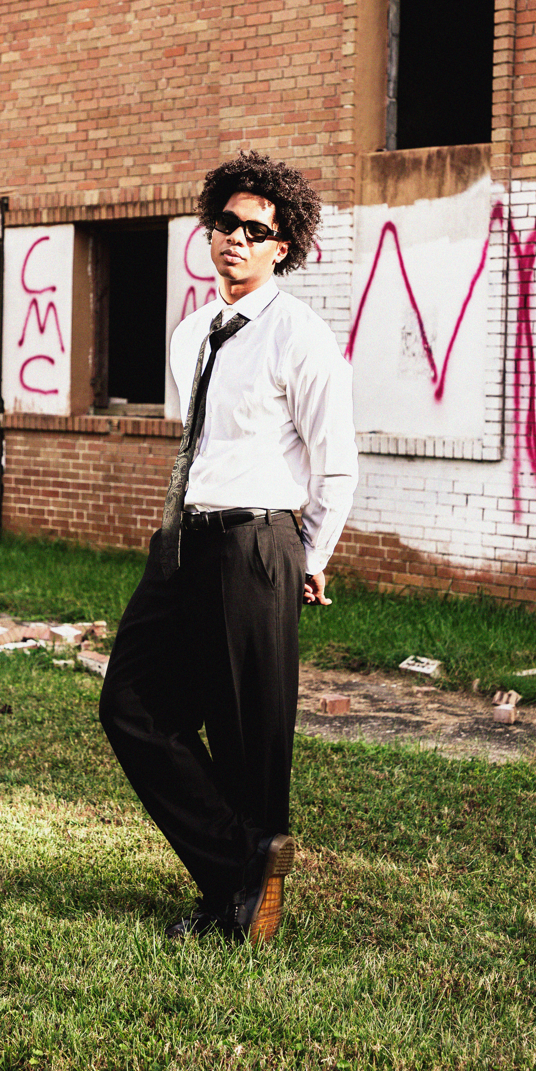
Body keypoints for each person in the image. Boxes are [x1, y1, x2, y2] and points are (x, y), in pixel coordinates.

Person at [99, 150, 358, 944]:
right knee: (131, 707)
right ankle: (239, 865)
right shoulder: (192, 335)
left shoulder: (298, 335)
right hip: (183, 540)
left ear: (282, 246)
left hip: (256, 544)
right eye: (225, 225)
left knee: (249, 733)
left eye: (255, 230)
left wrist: (306, 559)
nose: (234, 240)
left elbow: (335, 459)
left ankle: (243, 906)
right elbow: (201, 443)